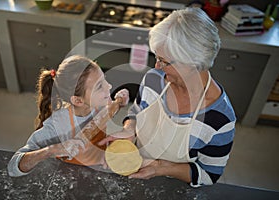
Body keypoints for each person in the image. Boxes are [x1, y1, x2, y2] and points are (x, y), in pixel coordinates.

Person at [100, 7, 236, 187]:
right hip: (135, 174)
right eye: (157, 58)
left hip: (173, 188)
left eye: (164, 61)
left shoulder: (220, 118)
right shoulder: (153, 79)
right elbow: (136, 112)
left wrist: (160, 168)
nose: (156, 66)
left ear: (192, 62)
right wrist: (129, 129)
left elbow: (209, 174)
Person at [7, 55, 129, 177]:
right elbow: (13, 167)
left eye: (104, 80)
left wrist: (120, 101)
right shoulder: (57, 127)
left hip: (101, 167)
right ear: (78, 101)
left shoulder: (100, 104)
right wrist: (52, 150)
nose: (109, 86)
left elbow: (110, 111)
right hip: (71, 176)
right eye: (99, 86)